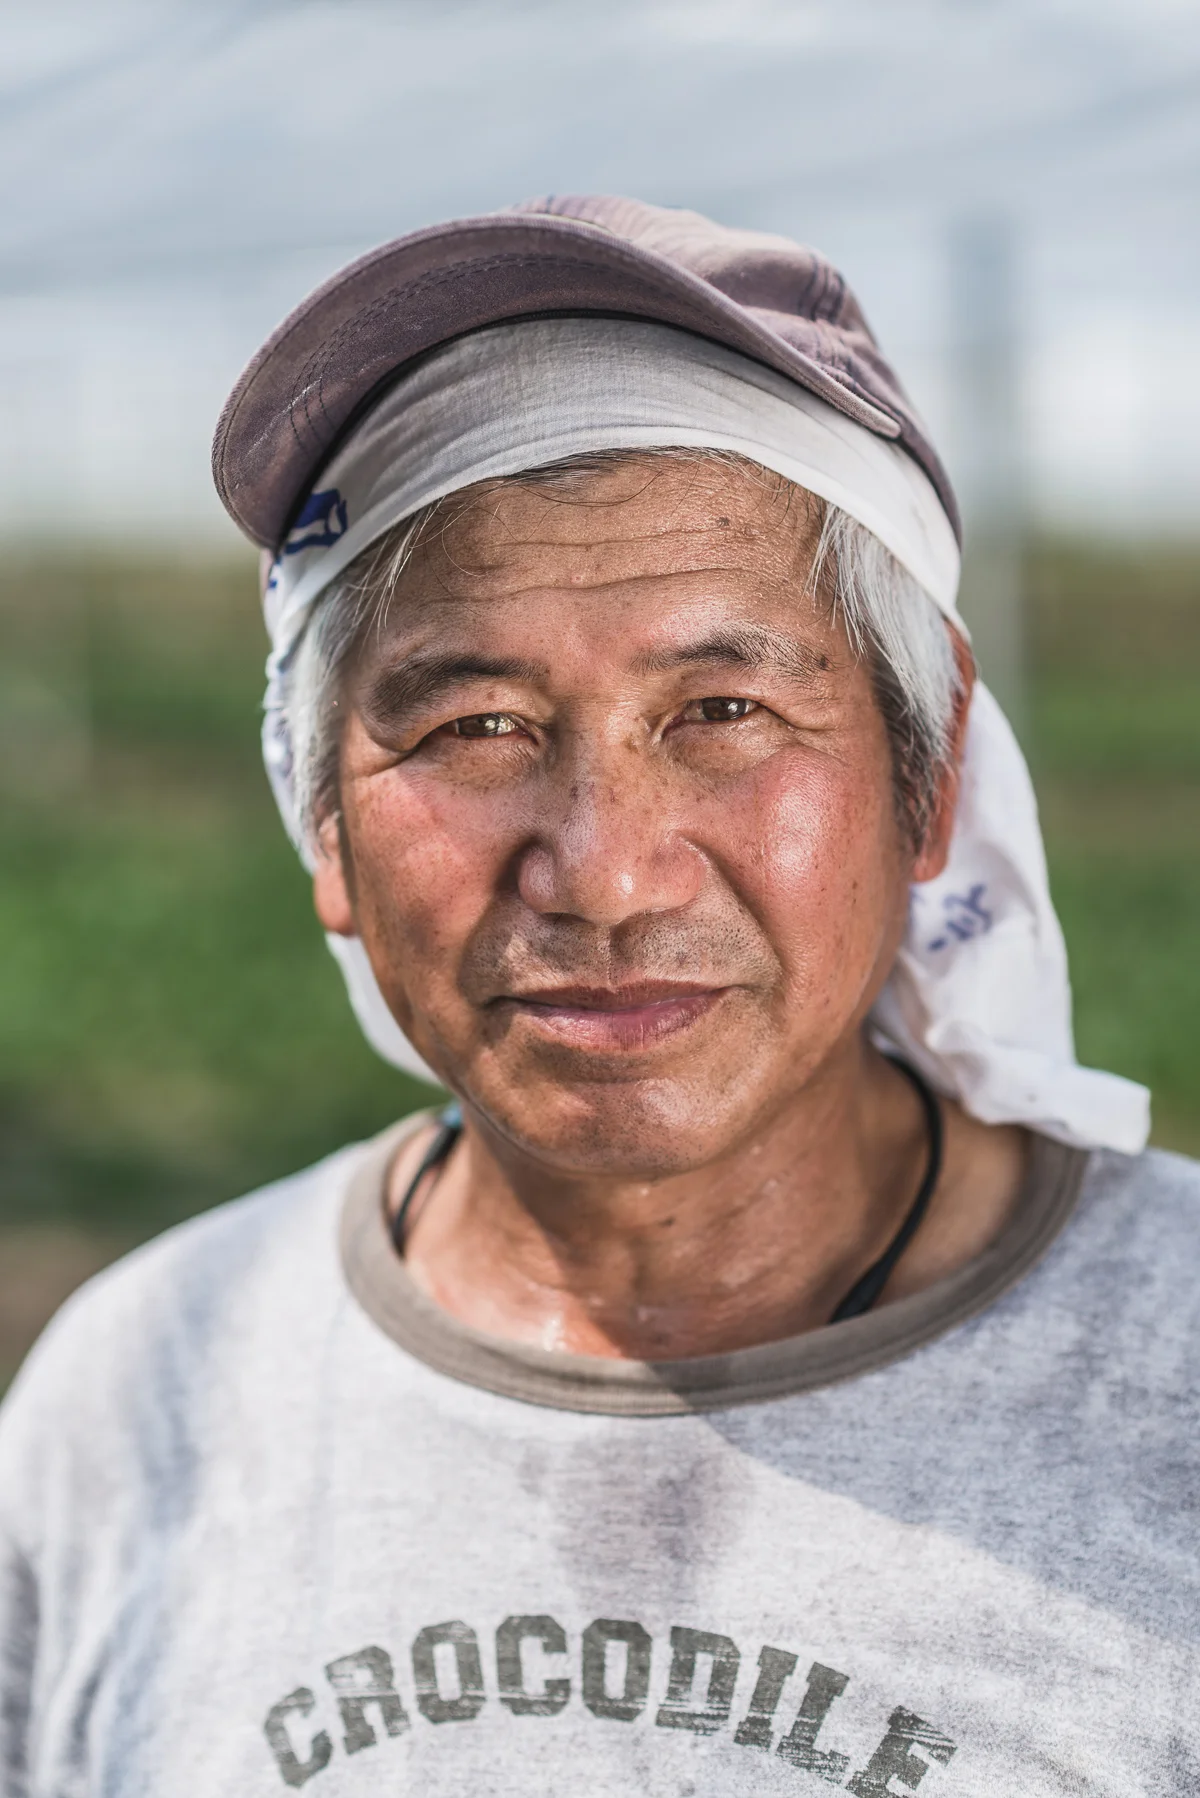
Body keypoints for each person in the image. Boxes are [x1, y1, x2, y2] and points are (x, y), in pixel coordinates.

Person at [0, 195, 1194, 1798]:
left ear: (931, 773)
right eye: (474, 727)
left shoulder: (1163, 1373)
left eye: (723, 707)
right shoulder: (140, 1391)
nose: (607, 874)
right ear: (323, 821)